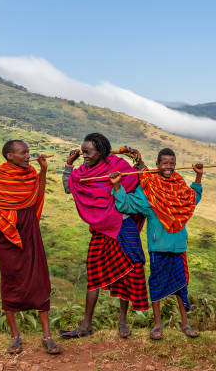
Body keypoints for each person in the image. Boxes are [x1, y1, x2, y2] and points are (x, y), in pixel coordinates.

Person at [0, 140, 60, 355]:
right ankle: (15, 337)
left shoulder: (31, 172)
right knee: (11, 280)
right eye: (23, 153)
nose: (27, 156)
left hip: (29, 230)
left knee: (40, 280)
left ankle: (47, 336)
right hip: (5, 234)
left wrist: (43, 171)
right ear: (9, 156)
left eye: (28, 153)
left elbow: (37, 197)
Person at [59, 133, 148, 339]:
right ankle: (86, 325)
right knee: (93, 274)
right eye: (83, 152)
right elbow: (68, 187)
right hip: (101, 230)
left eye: (88, 152)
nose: (84, 156)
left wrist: (138, 160)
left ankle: (123, 322)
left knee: (127, 272)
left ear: (100, 151)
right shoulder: (81, 172)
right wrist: (68, 164)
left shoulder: (117, 164)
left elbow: (141, 177)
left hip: (124, 227)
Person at [109, 148, 203, 340]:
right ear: (158, 165)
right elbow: (126, 204)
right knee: (157, 285)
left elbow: (193, 198)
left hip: (178, 246)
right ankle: (157, 325)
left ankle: (185, 324)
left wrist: (198, 177)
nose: (169, 166)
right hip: (158, 246)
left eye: (172, 163)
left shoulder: (180, 186)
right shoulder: (150, 191)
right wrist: (117, 186)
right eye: (165, 163)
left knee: (181, 287)